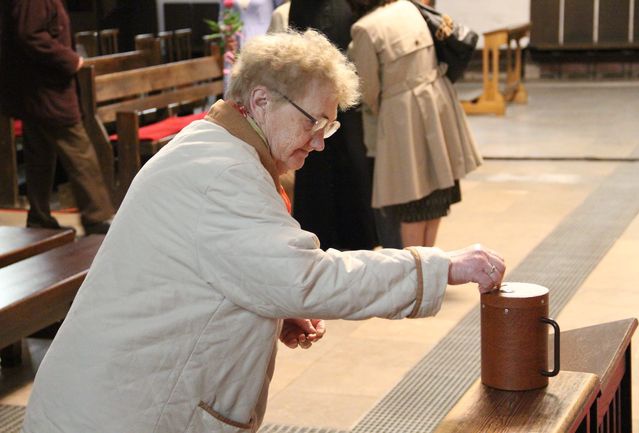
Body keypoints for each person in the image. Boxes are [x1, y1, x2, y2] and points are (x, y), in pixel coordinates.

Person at [22, 30, 505, 433]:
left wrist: (268, 304)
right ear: (260, 101)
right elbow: (306, 278)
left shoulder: (214, 144)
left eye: (329, 127)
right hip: (120, 414)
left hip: (106, 399)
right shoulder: (223, 175)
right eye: (314, 122)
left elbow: (217, 269)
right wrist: (440, 266)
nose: (319, 143)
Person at [347, 0, 482, 247]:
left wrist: (387, 109)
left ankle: (416, 274)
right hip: (438, 103)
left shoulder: (364, 29)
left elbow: (367, 90)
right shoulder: (409, 8)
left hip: (403, 117)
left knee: (410, 198)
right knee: (436, 193)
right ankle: (430, 266)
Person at [0, 0, 114, 234]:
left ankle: (40, 216)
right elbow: (29, 35)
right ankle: (96, 216)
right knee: (79, 150)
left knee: (39, 154)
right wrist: (71, 60)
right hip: (46, 89)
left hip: (41, 89)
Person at [289, 0, 383, 250]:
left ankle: (346, 241)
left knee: (338, 169)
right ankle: (342, 242)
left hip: (332, 100)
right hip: (325, 99)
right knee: (330, 169)